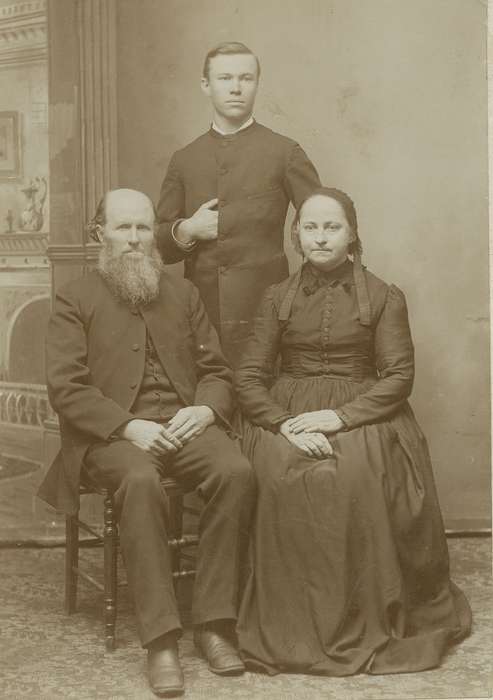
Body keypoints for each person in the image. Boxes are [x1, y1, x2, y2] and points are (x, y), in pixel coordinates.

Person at [234, 187, 472, 676]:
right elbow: (249, 375)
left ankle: (360, 618)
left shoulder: (384, 296)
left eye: (332, 227)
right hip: (289, 409)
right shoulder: (276, 296)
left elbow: (399, 378)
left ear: (352, 233)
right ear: (296, 235)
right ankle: (289, 625)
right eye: (310, 227)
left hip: (362, 408)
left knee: (354, 474)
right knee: (278, 470)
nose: (320, 237)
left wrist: (339, 418)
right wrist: (282, 423)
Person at [38, 189, 255, 697]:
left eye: (142, 228)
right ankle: (161, 640)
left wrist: (204, 408)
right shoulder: (75, 296)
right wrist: (129, 427)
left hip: (182, 426)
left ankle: (214, 624)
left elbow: (216, 371)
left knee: (236, 471)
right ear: (100, 235)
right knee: (139, 479)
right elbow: (66, 387)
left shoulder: (182, 294)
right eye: (123, 228)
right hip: (110, 436)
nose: (135, 239)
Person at [156, 41, 321, 364]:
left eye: (245, 78)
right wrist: (188, 228)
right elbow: (160, 245)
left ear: (257, 83)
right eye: (225, 78)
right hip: (201, 317)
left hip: (268, 313)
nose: (236, 88)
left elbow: (324, 223)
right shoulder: (184, 160)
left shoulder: (285, 152)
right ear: (206, 85)